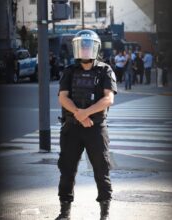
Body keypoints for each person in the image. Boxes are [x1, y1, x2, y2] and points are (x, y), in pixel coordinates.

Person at [56, 30, 117, 220]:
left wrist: (85, 113)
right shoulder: (69, 70)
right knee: (67, 169)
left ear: (95, 48)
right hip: (72, 128)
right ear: (77, 48)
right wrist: (78, 114)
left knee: (101, 169)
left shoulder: (105, 70)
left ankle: (104, 214)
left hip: (95, 128)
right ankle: (64, 213)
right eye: (82, 46)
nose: (85, 49)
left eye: (88, 46)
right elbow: (63, 98)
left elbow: (109, 98)